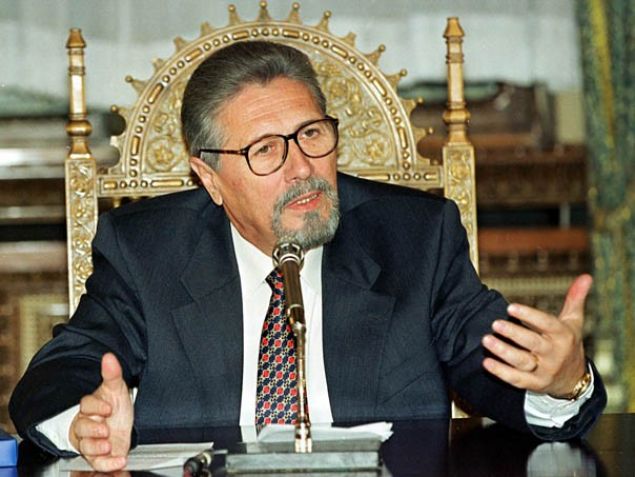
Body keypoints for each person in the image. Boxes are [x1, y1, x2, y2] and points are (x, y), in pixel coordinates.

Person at [10, 41, 606, 472]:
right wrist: (83, 422)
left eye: (313, 135)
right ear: (209, 178)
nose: (302, 169)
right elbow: (58, 375)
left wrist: (561, 383)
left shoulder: (415, 238)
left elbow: (494, 363)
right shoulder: (147, 252)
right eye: (266, 150)